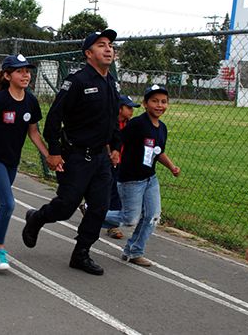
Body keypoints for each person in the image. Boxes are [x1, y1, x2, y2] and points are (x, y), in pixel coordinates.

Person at [21, 30, 121, 276]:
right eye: (101, 45)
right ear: (89, 53)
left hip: (101, 159)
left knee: (99, 208)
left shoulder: (111, 82)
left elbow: (113, 119)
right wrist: (53, 153)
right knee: (66, 207)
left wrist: (116, 147)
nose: (108, 49)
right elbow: (54, 119)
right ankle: (37, 218)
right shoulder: (77, 81)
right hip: (76, 156)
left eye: (110, 45)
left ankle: (81, 253)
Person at [0, 54, 51, 270]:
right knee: (8, 203)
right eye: (19, 71)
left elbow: (33, 133)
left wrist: (47, 156)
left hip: (12, 160)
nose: (25, 75)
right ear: (7, 75)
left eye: (27, 71)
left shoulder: (31, 101)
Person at [114, 84, 180, 267]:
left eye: (163, 102)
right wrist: (115, 152)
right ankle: (93, 212)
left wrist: (172, 167)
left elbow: (158, 152)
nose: (159, 105)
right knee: (130, 219)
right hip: (131, 179)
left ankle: (134, 251)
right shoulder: (137, 124)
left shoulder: (162, 128)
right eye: (154, 101)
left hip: (150, 179)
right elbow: (118, 138)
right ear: (145, 104)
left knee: (152, 216)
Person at [80, 95, 141, 240]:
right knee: (110, 190)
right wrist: (110, 155)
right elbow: (106, 140)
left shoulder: (129, 124)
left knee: (116, 191)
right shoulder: (110, 122)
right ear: (119, 108)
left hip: (122, 163)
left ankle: (94, 211)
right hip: (107, 161)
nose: (131, 111)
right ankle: (110, 224)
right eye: (128, 108)